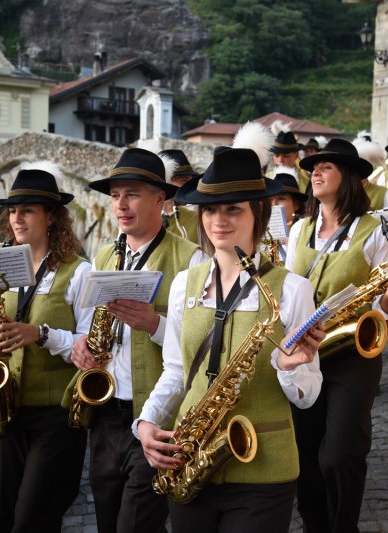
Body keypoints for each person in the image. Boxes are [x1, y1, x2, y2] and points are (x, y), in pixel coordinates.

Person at [136, 145, 324, 533]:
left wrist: (290, 368)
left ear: (259, 213)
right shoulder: (185, 284)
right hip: (190, 459)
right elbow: (175, 370)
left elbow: (309, 395)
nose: (218, 220)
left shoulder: (293, 289)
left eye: (233, 208)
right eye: (210, 209)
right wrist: (146, 423)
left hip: (265, 469)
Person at [284, 138, 388, 532]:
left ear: (349, 178)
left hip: (353, 355)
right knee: (306, 453)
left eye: (325, 167)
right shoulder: (299, 229)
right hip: (305, 352)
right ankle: (315, 524)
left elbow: (382, 303)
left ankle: (344, 525)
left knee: (340, 454)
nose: (315, 172)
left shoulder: (375, 230)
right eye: (313, 167)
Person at [69, 147, 203, 533]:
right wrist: (83, 346)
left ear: (160, 199)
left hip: (157, 415)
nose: (120, 205)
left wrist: (155, 324)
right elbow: (90, 321)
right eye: (114, 196)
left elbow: (198, 350)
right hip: (107, 411)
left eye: (131, 194)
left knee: (137, 523)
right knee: (108, 519)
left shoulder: (190, 259)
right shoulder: (104, 257)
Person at [0, 161, 92, 532]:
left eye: (27, 210)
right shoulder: (0, 269)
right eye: (13, 211)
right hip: (10, 409)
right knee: (7, 515)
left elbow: (91, 345)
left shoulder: (79, 272)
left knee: (33, 517)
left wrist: (42, 334)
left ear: (51, 217)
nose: (17, 219)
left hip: (56, 415)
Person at [160, 149, 200, 243]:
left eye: (190, 181)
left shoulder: (197, 212)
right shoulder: (145, 215)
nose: (190, 186)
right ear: (167, 181)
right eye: (184, 180)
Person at [270, 122, 310, 193]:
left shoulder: (307, 181)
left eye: (286, 155)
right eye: (277, 155)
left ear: (296, 155)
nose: (281, 160)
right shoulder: (266, 180)